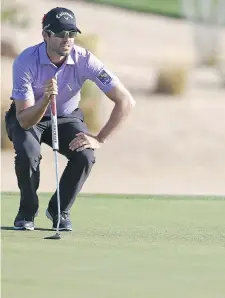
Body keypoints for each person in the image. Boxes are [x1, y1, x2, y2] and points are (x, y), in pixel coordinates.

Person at [5, 7, 135, 231]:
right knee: (28, 154)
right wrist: (45, 99)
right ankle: (27, 210)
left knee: (85, 155)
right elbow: (24, 120)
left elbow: (126, 101)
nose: (68, 39)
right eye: (61, 33)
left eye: (72, 33)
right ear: (46, 35)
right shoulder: (25, 61)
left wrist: (100, 138)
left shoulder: (85, 59)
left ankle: (59, 210)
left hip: (66, 117)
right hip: (28, 117)